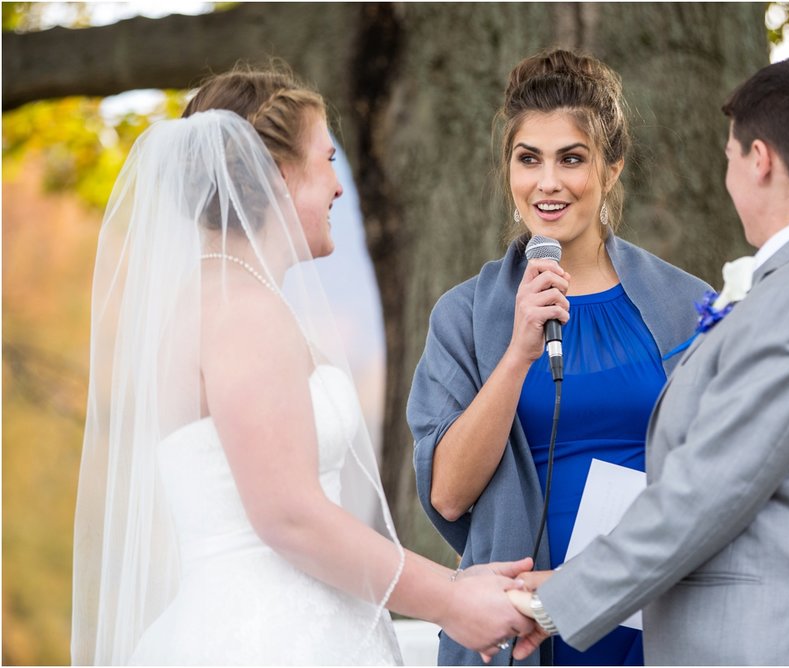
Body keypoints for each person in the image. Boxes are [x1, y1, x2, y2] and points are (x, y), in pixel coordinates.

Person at [70, 65, 536, 666]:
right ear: (279, 175)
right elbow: (289, 515)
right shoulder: (239, 308)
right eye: (327, 159)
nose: (339, 186)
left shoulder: (221, 295)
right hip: (267, 638)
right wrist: (451, 600)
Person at [507, 56, 789, 665]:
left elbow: (706, 492)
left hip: (779, 640)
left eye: (729, 157)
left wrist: (561, 597)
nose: (728, 177)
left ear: (760, 160)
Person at [407, 49, 710, 666]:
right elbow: (447, 495)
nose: (548, 182)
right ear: (508, 169)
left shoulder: (687, 305)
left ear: (612, 168)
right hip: (518, 630)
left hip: (656, 626)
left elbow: (720, 478)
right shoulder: (464, 315)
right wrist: (518, 353)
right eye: (529, 159)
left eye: (571, 158)